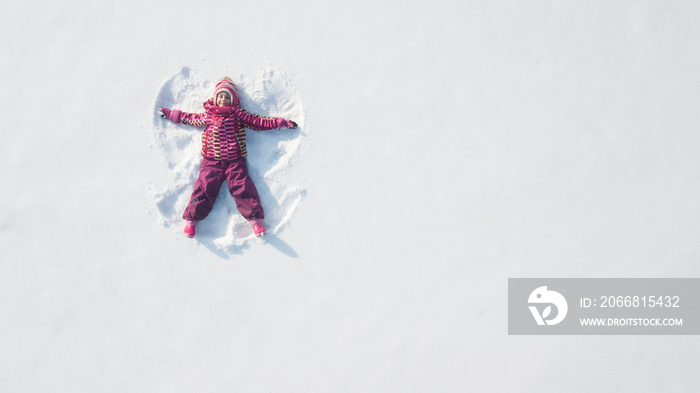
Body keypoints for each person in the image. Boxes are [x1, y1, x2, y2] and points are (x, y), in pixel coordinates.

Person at [158, 77, 298, 238]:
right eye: (221, 96)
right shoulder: (208, 116)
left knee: (243, 188)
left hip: (235, 161)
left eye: (227, 97)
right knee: (204, 188)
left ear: (233, 100)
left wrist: (281, 123)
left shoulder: (238, 115)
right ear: (215, 98)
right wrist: (169, 114)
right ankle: (192, 221)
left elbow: (258, 122)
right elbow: (190, 118)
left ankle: (255, 221)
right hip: (211, 161)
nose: (223, 99)